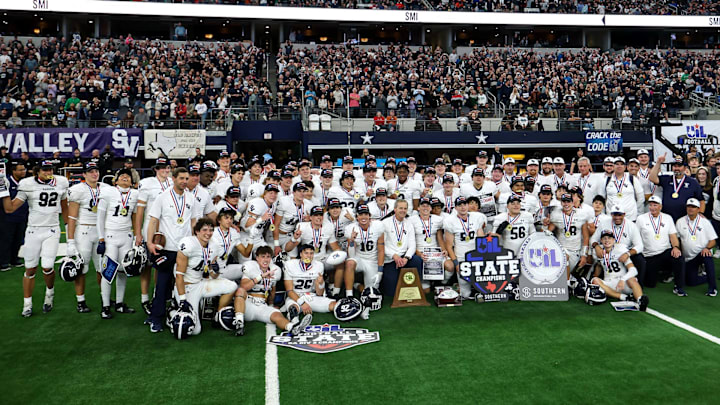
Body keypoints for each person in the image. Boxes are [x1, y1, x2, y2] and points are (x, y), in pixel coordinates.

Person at [2, 160, 69, 317]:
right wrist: (3, 191)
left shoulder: (61, 182)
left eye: (50, 169)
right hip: (33, 230)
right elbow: (9, 208)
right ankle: (27, 304)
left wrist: (68, 229)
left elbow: (65, 207)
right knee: (30, 268)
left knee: (47, 267)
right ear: (37, 171)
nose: (48, 172)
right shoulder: (27, 184)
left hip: (52, 229)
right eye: (45, 170)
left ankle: (49, 294)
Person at [145, 167, 196, 333]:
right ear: (173, 178)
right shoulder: (162, 197)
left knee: (184, 284)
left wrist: (197, 243)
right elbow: (153, 221)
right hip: (167, 249)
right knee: (162, 285)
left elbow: (193, 222)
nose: (184, 181)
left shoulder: (191, 198)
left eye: (186, 178)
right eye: (181, 178)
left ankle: (180, 314)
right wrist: (150, 243)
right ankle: (155, 318)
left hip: (185, 250)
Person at [174, 218, 238, 336]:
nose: (208, 233)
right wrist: (183, 300)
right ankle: (173, 311)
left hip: (201, 283)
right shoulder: (188, 244)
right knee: (195, 330)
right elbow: (179, 276)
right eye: (204, 230)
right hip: (186, 287)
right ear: (197, 231)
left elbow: (213, 275)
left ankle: (217, 315)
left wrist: (216, 270)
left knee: (232, 286)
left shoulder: (214, 246)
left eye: (210, 230)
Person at [66, 162, 113, 313]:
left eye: (96, 171)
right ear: (84, 174)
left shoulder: (106, 188)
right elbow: (72, 217)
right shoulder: (77, 190)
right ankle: (81, 300)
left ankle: (104, 297)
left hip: (101, 231)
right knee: (81, 268)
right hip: (84, 231)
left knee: (102, 267)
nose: (94, 174)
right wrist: (70, 241)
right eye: (90, 171)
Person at [236, 246, 312, 337]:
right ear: (257, 258)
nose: (265, 259)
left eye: (268, 257)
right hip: (248, 305)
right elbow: (244, 286)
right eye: (263, 256)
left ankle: (292, 327)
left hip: (261, 305)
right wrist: (261, 276)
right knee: (240, 291)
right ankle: (239, 323)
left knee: (277, 315)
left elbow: (272, 291)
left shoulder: (275, 271)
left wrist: (271, 305)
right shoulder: (251, 267)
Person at [95, 168, 139, 318]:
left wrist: (135, 236)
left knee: (123, 270)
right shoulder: (108, 192)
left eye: (128, 176)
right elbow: (100, 217)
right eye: (122, 176)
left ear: (132, 181)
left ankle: (120, 303)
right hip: (110, 235)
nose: (125, 177)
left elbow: (134, 217)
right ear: (115, 180)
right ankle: (106, 306)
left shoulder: (135, 194)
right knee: (108, 271)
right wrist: (101, 238)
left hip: (126, 235)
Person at [134, 157, 173, 315]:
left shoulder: (172, 182)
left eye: (166, 167)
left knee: (162, 265)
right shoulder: (147, 183)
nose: (164, 170)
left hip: (167, 230)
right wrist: (138, 233)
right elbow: (140, 211)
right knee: (147, 266)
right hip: (150, 229)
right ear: (156, 169)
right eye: (161, 167)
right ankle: (144, 298)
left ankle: (159, 295)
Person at [636, 196, 687, 296]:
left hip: (665, 252)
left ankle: (679, 287)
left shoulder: (667, 218)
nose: (652, 207)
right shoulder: (641, 218)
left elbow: (673, 236)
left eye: (655, 205)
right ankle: (663, 274)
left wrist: (676, 247)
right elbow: (636, 237)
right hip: (649, 255)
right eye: (650, 205)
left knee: (678, 257)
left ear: (660, 207)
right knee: (650, 284)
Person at [591, 230, 649, 311]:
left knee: (632, 279)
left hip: (623, 282)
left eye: (609, 238)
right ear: (601, 240)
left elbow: (633, 270)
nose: (607, 240)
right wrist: (594, 278)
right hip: (609, 284)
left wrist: (623, 279)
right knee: (595, 280)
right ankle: (624, 297)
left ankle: (640, 300)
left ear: (614, 240)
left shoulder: (621, 249)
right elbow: (598, 266)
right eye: (604, 238)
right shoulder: (598, 251)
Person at [443, 196, 487, 299]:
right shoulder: (450, 221)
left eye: (464, 204)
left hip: (477, 255)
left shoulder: (477, 217)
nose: (463, 207)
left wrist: (485, 255)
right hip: (462, 256)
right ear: (456, 208)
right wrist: (456, 262)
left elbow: (481, 238)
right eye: (460, 205)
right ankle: (458, 287)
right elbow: (449, 246)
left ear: (468, 205)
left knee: (482, 289)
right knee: (466, 294)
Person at [589, 205, 645, 284]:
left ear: (624, 214)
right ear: (611, 214)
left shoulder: (631, 225)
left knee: (640, 260)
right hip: (608, 250)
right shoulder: (604, 223)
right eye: (615, 215)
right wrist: (597, 246)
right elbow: (593, 239)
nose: (617, 217)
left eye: (620, 215)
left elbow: (640, 246)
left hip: (625, 251)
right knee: (595, 253)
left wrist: (627, 254)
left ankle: (639, 285)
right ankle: (595, 278)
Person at [675, 198, 717, 296]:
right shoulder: (680, 221)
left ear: (698, 209)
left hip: (702, 253)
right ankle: (706, 276)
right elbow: (677, 239)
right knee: (690, 282)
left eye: (693, 207)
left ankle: (712, 288)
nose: (691, 209)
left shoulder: (705, 222)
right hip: (688, 258)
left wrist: (707, 248)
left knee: (707, 256)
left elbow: (713, 241)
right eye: (689, 206)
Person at [380, 199, 423, 295]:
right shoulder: (385, 223)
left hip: (404, 257)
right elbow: (382, 244)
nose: (403, 210)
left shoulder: (409, 223)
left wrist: (406, 258)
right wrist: (394, 255)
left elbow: (412, 245)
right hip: (390, 259)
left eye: (405, 208)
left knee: (417, 260)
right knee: (392, 292)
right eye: (400, 208)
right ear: (395, 209)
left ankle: (417, 287)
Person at [343, 203, 386, 297]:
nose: (363, 217)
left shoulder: (378, 226)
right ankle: (349, 295)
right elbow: (351, 255)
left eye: (366, 214)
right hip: (359, 259)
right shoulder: (351, 228)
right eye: (360, 214)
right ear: (357, 217)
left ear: (370, 216)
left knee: (371, 292)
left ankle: (357, 286)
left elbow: (381, 250)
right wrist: (351, 241)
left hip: (372, 260)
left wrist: (380, 271)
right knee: (350, 262)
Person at [284, 244, 338, 317]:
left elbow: (319, 294)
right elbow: (289, 291)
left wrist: (321, 283)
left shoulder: (318, 265)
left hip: (311, 296)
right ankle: (294, 322)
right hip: (295, 297)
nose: (309, 256)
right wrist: (302, 303)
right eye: (306, 253)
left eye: (311, 253)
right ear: (300, 254)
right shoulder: (290, 264)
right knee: (293, 310)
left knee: (334, 305)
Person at [546, 193, 590, 279]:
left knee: (569, 275)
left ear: (573, 203)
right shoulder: (556, 215)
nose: (566, 204)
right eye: (564, 202)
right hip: (562, 249)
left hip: (575, 251)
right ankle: (567, 284)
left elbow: (586, 237)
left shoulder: (581, 215)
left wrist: (584, 254)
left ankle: (570, 283)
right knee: (564, 258)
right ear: (561, 203)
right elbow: (547, 232)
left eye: (568, 202)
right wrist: (545, 225)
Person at [649, 154, 704, 222]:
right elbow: (652, 178)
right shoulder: (666, 179)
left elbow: (701, 200)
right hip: (667, 218)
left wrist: (700, 213)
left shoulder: (693, 182)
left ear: (685, 168)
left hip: (686, 218)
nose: (676, 168)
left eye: (679, 166)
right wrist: (658, 163)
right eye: (675, 166)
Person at [0, 161, 28, 271]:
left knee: (19, 239)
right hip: (7, 217)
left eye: (24, 169)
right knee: (5, 240)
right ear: (13, 171)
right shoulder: (5, 181)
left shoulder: (26, 182)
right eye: (20, 170)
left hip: (22, 216)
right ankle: (3, 262)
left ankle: (14, 259)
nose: (23, 172)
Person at [273, 182, 312, 256]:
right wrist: (276, 245)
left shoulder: (309, 205)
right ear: (293, 192)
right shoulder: (285, 202)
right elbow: (276, 225)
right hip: (277, 235)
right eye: (299, 191)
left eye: (304, 191)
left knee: (292, 259)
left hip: (291, 235)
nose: (302, 193)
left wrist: (309, 219)